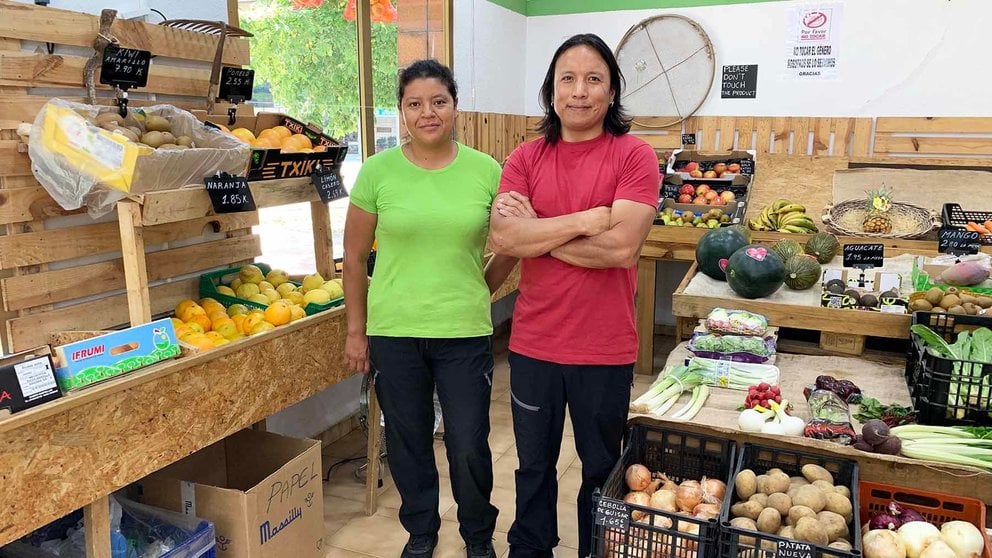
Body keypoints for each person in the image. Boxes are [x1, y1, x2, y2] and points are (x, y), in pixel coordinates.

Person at [487, 34, 661, 558]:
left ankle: (598, 549)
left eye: (594, 80)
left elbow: (620, 249)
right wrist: (583, 222)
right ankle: (531, 546)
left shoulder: (634, 156)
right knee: (533, 463)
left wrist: (537, 230)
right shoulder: (525, 156)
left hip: (604, 349)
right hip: (535, 344)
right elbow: (504, 238)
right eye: (568, 79)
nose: (579, 92)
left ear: (611, 92)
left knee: (602, 467)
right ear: (551, 89)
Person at [343, 59, 513, 558]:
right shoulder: (378, 172)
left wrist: (481, 289)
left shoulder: (486, 171)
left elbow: (509, 243)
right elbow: (353, 258)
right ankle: (421, 531)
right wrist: (358, 331)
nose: (428, 113)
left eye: (438, 101)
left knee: (467, 442)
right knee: (408, 440)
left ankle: (477, 535)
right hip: (394, 331)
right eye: (415, 104)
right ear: (401, 112)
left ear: (455, 106)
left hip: (462, 330)